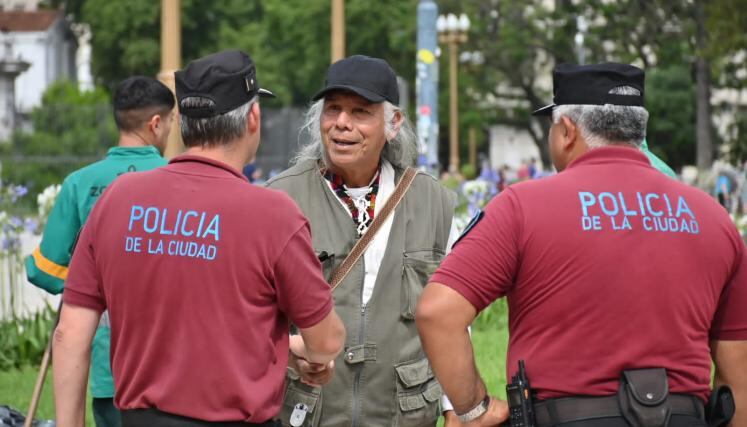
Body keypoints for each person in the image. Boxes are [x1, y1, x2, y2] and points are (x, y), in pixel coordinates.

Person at [416, 63, 747, 427]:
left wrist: (475, 409)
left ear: (567, 131)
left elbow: (438, 312)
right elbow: (738, 383)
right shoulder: (713, 218)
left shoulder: (522, 207)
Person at [52, 49, 346, 427]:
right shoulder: (273, 215)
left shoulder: (117, 199)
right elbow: (325, 342)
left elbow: (69, 334)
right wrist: (303, 350)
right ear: (252, 117)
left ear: (182, 123)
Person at [265, 55, 460, 427]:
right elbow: (252, 314)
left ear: (393, 123)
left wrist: (455, 409)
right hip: (305, 412)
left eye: (360, 112)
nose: (342, 123)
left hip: (402, 415)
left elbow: (452, 319)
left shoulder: (434, 203)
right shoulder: (280, 200)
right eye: (333, 109)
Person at [25, 75, 175, 427]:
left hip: (109, 358)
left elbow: (42, 270)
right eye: (170, 123)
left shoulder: (80, 182)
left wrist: (94, 286)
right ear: (156, 124)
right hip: (172, 361)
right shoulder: (179, 177)